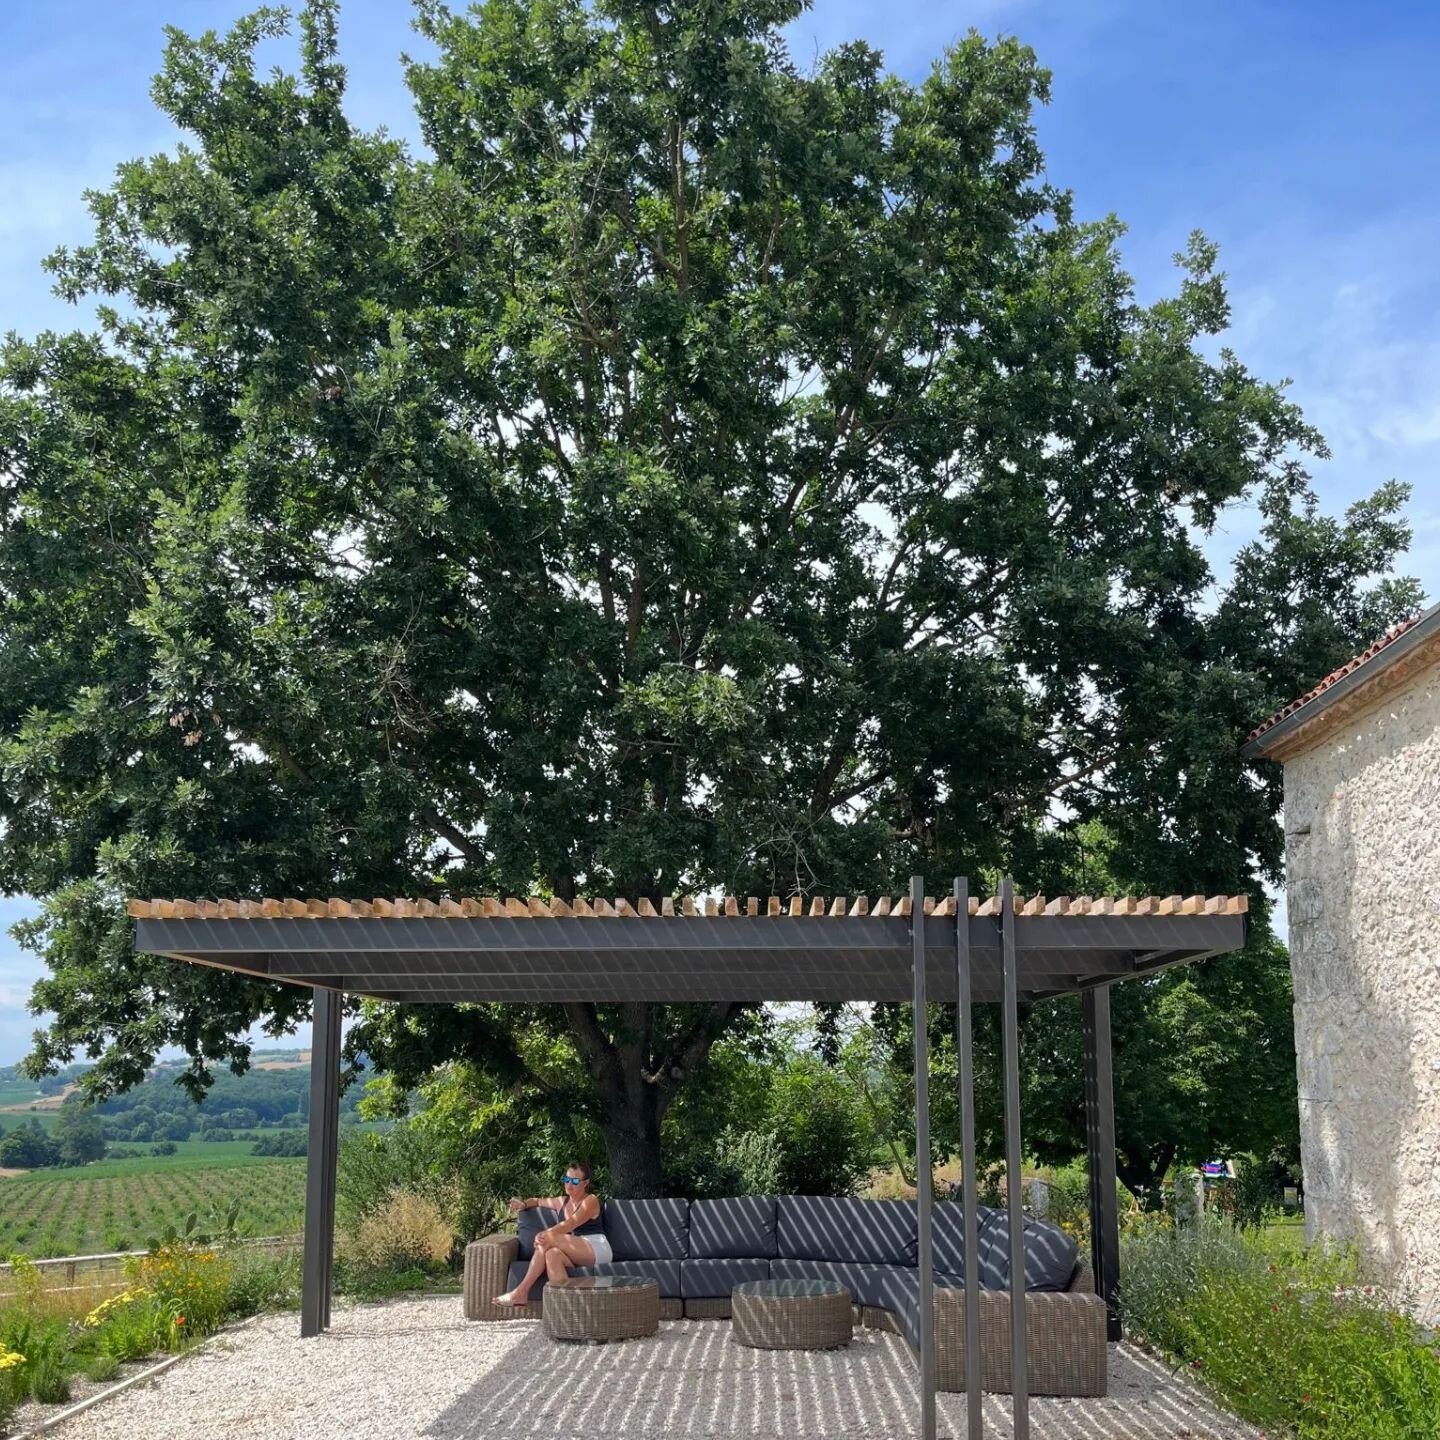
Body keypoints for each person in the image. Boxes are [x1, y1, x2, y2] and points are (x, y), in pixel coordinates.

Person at [493, 1161, 611, 1305]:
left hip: (596, 1248)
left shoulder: (590, 1200)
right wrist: (523, 1204)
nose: (569, 1184)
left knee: (547, 1239)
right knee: (552, 1255)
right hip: (575, 1250)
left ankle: (521, 1291)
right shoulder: (561, 1201)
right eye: (566, 1180)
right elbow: (537, 1201)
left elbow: (570, 1224)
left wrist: (546, 1233)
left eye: (574, 1181)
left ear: (585, 1183)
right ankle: (565, 1306)